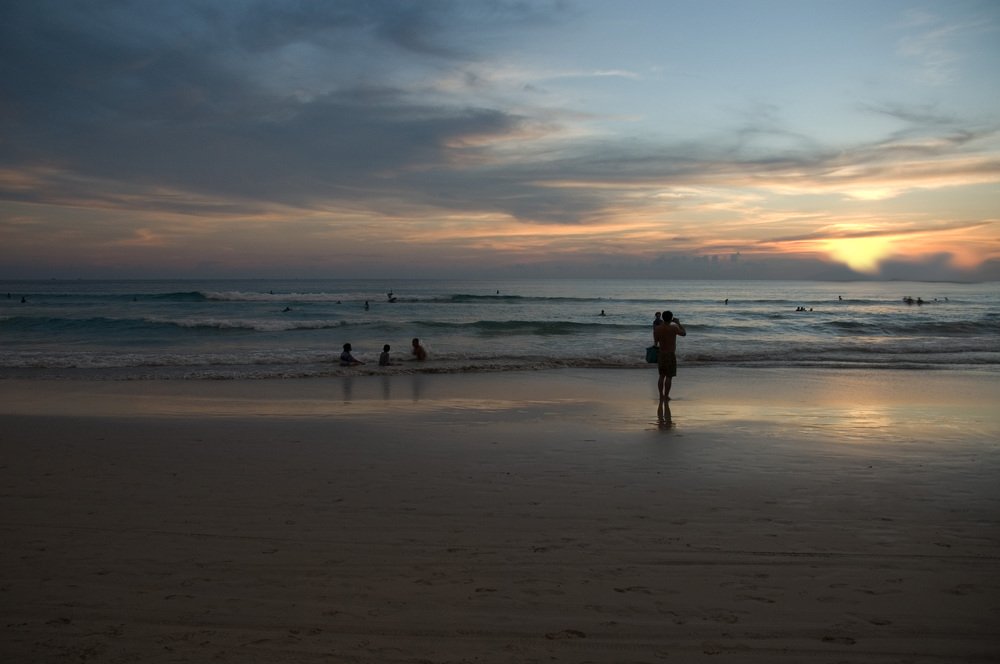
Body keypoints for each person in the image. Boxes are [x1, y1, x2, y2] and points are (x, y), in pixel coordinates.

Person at [652, 310, 686, 401]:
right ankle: (666, 396)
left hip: (661, 354)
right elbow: (684, 333)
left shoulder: (657, 329)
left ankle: (661, 395)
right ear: (671, 318)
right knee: (669, 376)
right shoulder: (674, 328)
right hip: (670, 354)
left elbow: (655, 343)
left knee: (661, 376)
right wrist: (678, 323)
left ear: (662, 318)